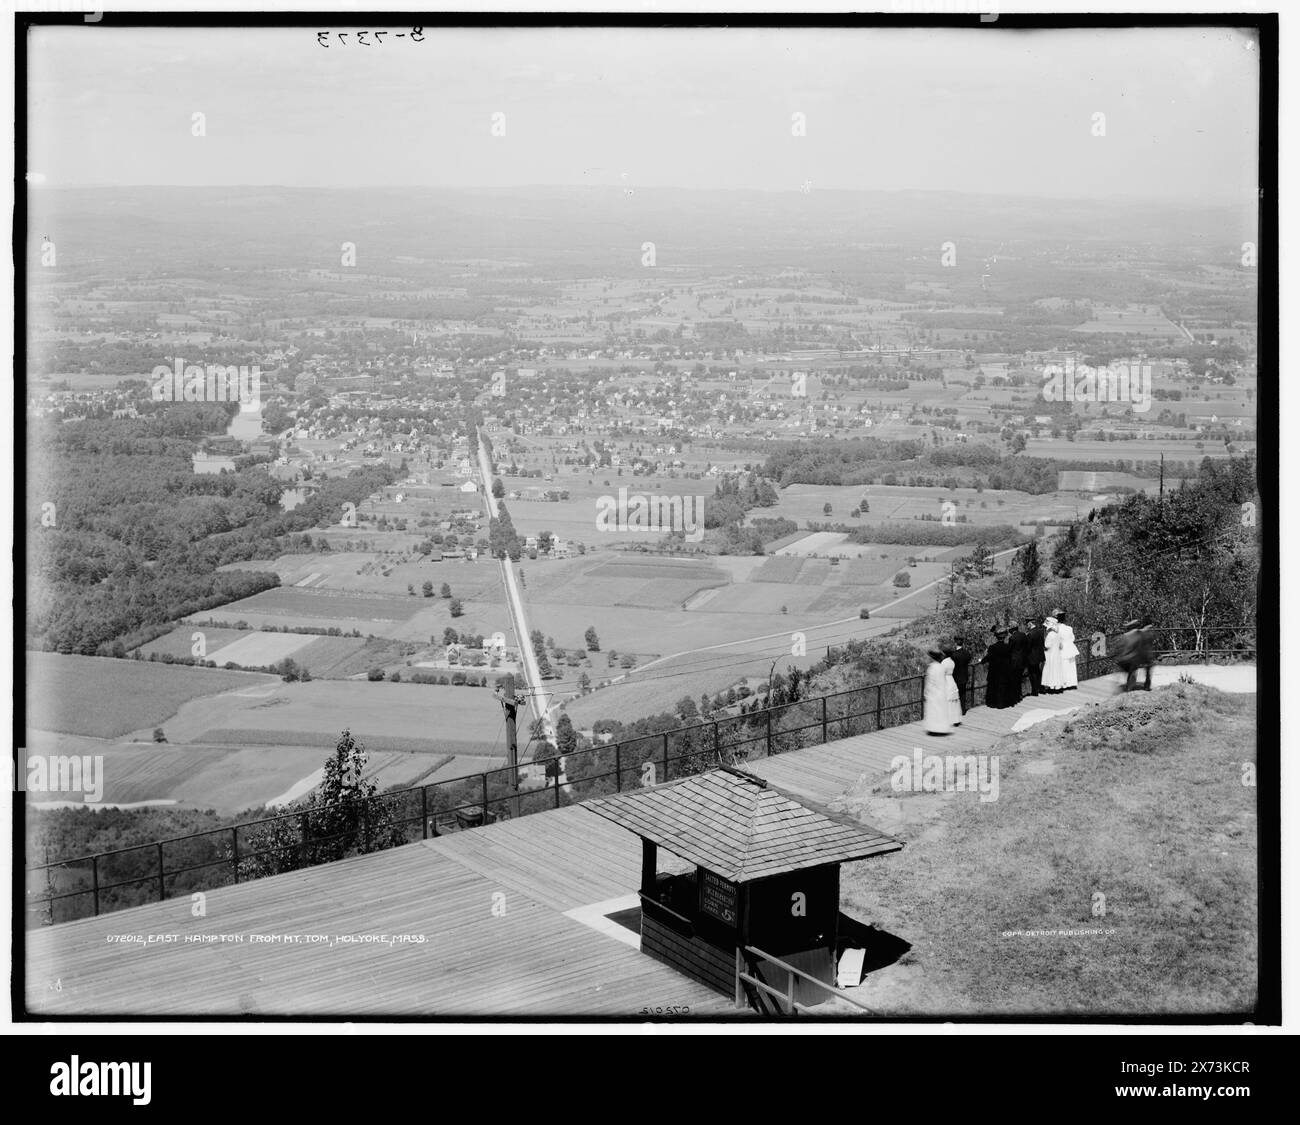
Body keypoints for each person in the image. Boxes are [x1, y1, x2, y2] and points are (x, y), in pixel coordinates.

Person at [923, 648, 957, 734]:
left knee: (934, 711)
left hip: (933, 692)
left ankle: (934, 728)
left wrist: (926, 692)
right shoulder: (941, 667)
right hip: (941, 691)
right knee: (941, 711)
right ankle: (941, 728)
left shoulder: (932, 668)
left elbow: (930, 682)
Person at [980, 628, 1013, 709]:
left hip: (994, 670)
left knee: (994, 686)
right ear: (1004, 637)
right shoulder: (1008, 647)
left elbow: (988, 657)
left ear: (996, 637)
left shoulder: (993, 647)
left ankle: (993, 703)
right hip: (1005, 670)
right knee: (1003, 686)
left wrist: (981, 661)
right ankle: (1003, 703)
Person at [1053, 609, 1079, 690]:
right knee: (1071, 667)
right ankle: (1072, 683)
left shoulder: (1055, 629)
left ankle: (1064, 684)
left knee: (1063, 667)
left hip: (1061, 650)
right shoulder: (1069, 628)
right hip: (1070, 648)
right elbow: (1072, 638)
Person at [1114, 620, 1143, 692]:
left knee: (1130, 674)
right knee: (1132, 674)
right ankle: (1129, 690)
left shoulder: (1125, 636)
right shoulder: (1138, 634)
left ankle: (1128, 688)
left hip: (1124, 659)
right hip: (1131, 658)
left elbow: (1119, 647)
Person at [1006, 621, 1028, 705]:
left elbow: (1009, 649)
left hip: (1014, 661)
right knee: (1019, 679)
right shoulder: (1023, 635)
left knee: (1014, 680)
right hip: (1022, 660)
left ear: (1011, 629)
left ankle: (1015, 697)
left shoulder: (1012, 638)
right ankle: (1020, 694)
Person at [1041, 616, 1065, 693]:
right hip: (1057, 654)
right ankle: (1057, 686)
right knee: (1056, 670)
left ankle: (1051, 686)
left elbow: (1047, 645)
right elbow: (1061, 646)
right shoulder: (1057, 634)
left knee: (1050, 670)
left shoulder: (1050, 635)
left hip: (1050, 654)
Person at [950, 636, 973, 714]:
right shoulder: (966, 653)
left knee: (954, 694)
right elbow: (969, 659)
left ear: (955, 642)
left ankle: (955, 710)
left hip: (955, 677)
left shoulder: (953, 655)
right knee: (963, 694)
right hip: (964, 676)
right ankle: (963, 710)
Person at [1024, 616, 1046, 696]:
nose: (1026, 626)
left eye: (1027, 624)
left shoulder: (1030, 634)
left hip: (1032, 657)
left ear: (1030, 623)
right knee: (1039, 672)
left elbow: (1028, 647)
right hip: (1040, 655)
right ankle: (1042, 688)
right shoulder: (1040, 631)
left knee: (1032, 674)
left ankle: (1035, 690)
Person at [942, 648, 962, 726]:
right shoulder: (952, 662)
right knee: (954, 701)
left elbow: (942, 671)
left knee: (948, 699)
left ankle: (948, 719)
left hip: (946, 679)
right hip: (952, 680)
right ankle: (956, 718)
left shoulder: (944, 662)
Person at [1137, 619, 1157, 690]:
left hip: (1143, 654)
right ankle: (1147, 686)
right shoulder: (1149, 633)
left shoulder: (1141, 633)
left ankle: (1145, 685)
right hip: (1147, 654)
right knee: (1148, 671)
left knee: (1147, 671)